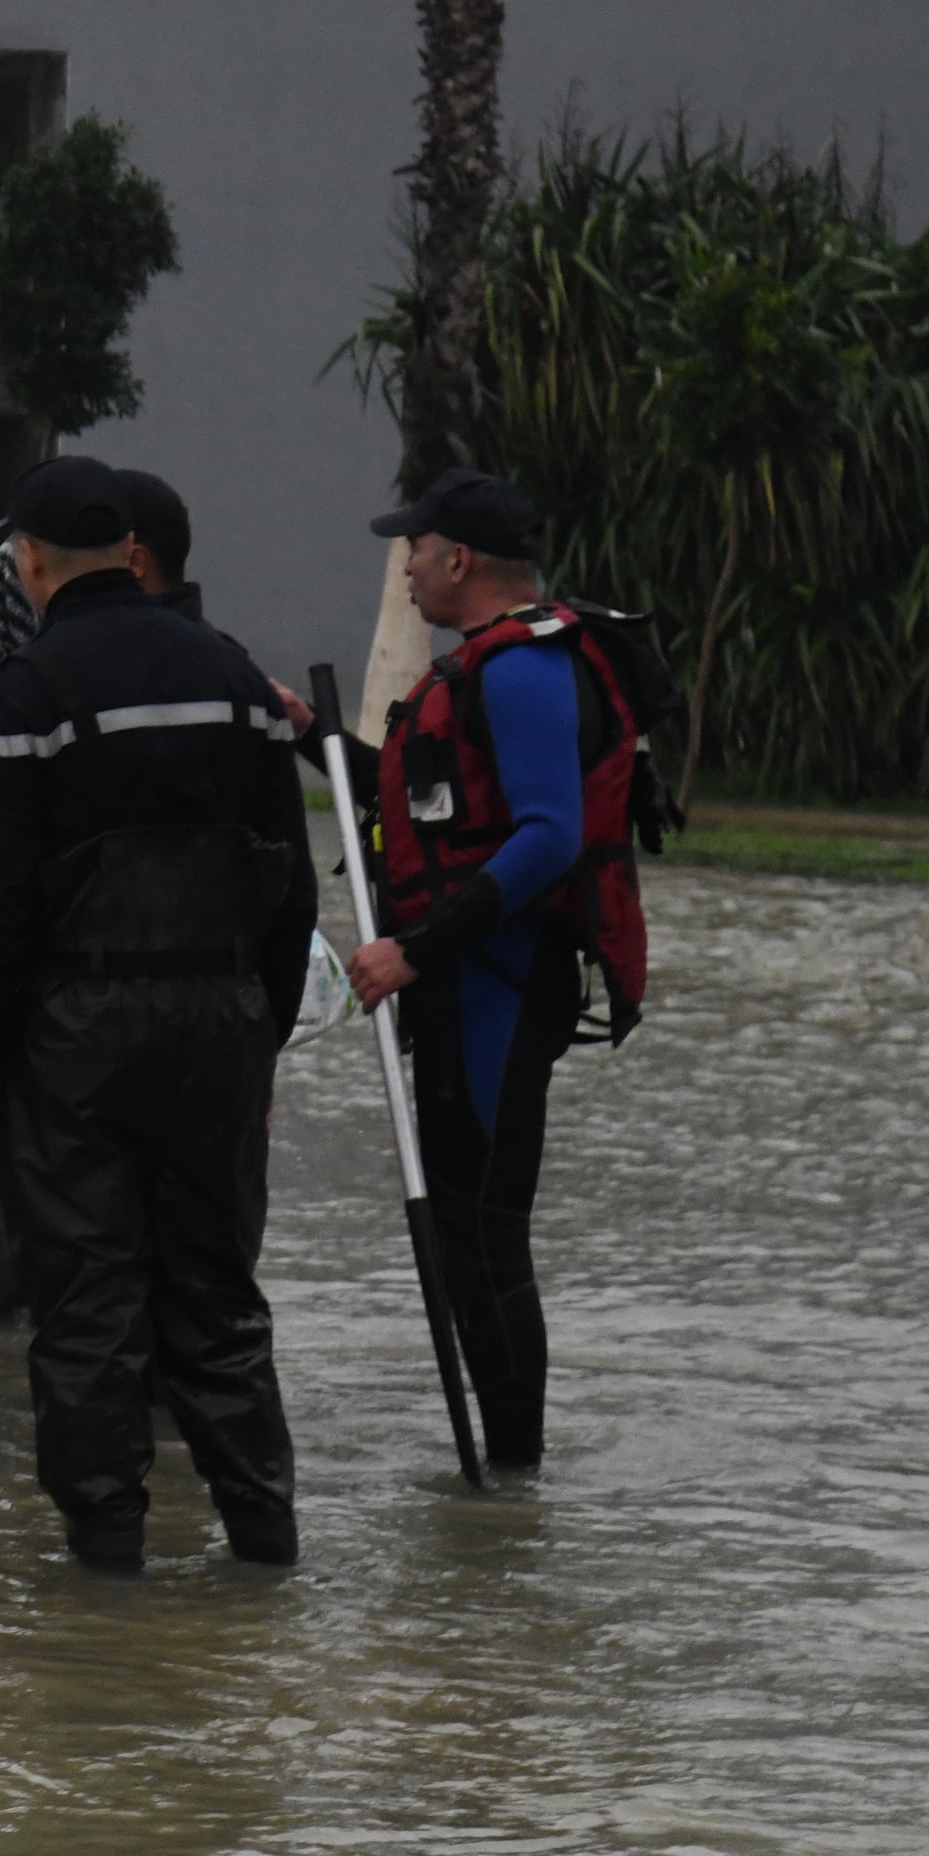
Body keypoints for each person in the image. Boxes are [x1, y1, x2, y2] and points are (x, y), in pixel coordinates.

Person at [0, 457, 320, 1574]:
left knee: (87, 1304)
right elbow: (289, 889)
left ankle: (105, 1568)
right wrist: (260, 1036)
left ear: (32, 561)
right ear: (129, 556)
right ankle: (262, 1545)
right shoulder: (239, 684)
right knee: (217, 1294)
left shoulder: (23, 695)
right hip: (217, 1028)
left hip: (75, 1039)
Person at [341, 465, 647, 1476]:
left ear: (456, 558)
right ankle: (494, 1514)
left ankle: (510, 1480)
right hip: (461, 983)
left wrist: (412, 952)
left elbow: (548, 837)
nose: (408, 571)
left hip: (496, 991)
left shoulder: (518, 668)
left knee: (484, 1235)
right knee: (467, 1239)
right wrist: (303, 735)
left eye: (414, 552)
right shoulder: (475, 667)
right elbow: (432, 812)